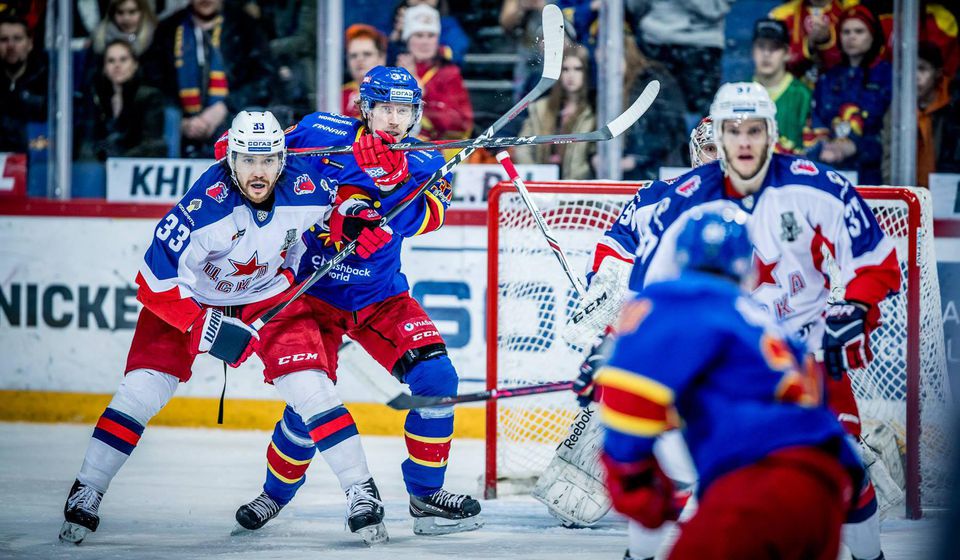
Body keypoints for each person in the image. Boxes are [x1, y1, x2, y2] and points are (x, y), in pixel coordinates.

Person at [567, 83, 901, 560]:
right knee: (683, 461)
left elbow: (875, 261)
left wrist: (860, 306)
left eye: (754, 130)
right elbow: (645, 297)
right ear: (716, 138)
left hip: (801, 359)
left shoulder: (816, 186)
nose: (744, 142)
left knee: (845, 468)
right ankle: (639, 554)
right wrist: (613, 345)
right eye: (732, 130)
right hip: (716, 362)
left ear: (773, 134)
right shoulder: (682, 200)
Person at [58, 110, 394, 545]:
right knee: (141, 391)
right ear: (230, 158)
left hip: (268, 296)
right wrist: (206, 328)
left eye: (270, 160)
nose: (260, 172)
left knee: (313, 389)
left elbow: (339, 207)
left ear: (283, 158)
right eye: (249, 160)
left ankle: (362, 492)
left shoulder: (303, 182)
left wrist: (355, 221)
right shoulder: (204, 207)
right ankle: (88, 488)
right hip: (191, 301)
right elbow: (153, 281)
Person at [230, 65, 483, 538]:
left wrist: (392, 181)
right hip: (311, 296)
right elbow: (265, 160)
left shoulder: (427, 161)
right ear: (366, 108)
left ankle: (426, 496)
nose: (394, 119)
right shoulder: (319, 133)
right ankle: (274, 494)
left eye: (404, 110)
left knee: (437, 379)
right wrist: (232, 152)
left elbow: (426, 219)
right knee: (311, 401)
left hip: (379, 298)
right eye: (385, 107)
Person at [597, 210, 865, 559]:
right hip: (824, 497)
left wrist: (633, 481)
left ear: (679, 258)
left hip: (759, 487)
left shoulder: (682, 297)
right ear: (747, 268)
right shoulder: (766, 325)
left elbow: (631, 394)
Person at [141, 0, 273, 158]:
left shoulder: (244, 26)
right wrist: (183, 121)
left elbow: (263, 78)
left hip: (231, 114)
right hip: (181, 122)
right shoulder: (168, 29)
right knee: (167, 117)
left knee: (252, 117)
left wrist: (224, 107)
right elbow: (153, 81)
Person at [805, 5, 891, 185]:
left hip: (874, 173)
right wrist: (825, 145)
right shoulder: (828, 77)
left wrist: (855, 146)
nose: (852, 37)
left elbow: (893, 132)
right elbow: (816, 120)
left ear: (873, 35)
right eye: (846, 32)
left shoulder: (888, 76)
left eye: (859, 31)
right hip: (832, 171)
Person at [512, 42, 596, 180]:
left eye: (577, 69)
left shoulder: (593, 111)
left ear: (586, 72)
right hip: (544, 186)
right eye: (565, 69)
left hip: (578, 190)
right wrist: (537, 177)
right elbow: (522, 148)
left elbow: (593, 156)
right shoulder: (541, 108)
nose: (571, 75)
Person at [882, 41, 960, 187]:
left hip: (947, 191)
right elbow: (889, 158)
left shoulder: (953, 107)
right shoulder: (897, 109)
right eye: (909, 70)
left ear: (938, 72)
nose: (915, 76)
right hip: (909, 195)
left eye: (922, 69)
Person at [77, 39, 167, 160]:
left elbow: (152, 145)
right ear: (104, 68)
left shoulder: (150, 97)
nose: (117, 65)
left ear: (135, 64)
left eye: (123, 60)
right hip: (99, 168)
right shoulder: (96, 97)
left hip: (134, 166)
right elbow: (88, 140)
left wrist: (117, 161)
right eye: (111, 61)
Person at [396, 4, 473, 142]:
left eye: (431, 35)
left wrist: (425, 94)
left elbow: (458, 125)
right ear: (407, 39)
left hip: (439, 150)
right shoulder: (393, 71)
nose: (425, 42)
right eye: (418, 35)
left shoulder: (449, 73)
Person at [751, 18, 812, 153]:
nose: (766, 54)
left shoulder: (803, 95)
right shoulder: (738, 93)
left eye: (774, 47)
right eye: (761, 46)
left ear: (787, 53)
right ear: (752, 51)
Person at [768, 0, 854, 85]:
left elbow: (854, 62)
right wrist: (808, 46)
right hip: (796, 93)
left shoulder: (850, 12)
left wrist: (826, 41)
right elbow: (773, 63)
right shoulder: (780, 16)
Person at [0, 14, 46, 154]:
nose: (11, 46)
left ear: (30, 43)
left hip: (35, 158)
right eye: (4, 40)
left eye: (17, 39)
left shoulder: (46, 81)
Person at [386, 0, 469, 67]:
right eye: (419, 35)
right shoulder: (392, 19)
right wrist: (395, 38)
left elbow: (456, 55)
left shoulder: (448, 25)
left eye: (431, 35)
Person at [342, 24, 388, 120]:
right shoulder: (339, 95)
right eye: (353, 56)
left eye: (367, 54)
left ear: (382, 58)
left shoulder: (396, 93)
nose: (360, 59)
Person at [89, 0, 157, 56]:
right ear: (112, 14)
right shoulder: (101, 38)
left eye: (132, 12)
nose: (126, 18)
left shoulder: (154, 38)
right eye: (120, 12)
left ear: (142, 13)